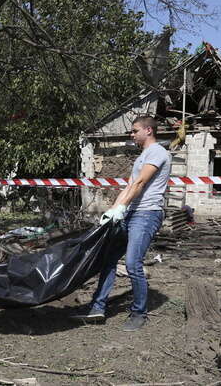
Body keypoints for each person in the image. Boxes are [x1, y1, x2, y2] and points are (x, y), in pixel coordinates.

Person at [71, 116, 171, 331]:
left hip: (147, 214)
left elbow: (141, 183)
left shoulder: (158, 153)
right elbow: (130, 186)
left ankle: (139, 312)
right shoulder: (143, 156)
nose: (131, 135)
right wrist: (113, 210)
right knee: (108, 259)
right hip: (131, 213)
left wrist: (121, 207)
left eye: (135, 131)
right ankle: (97, 307)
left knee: (133, 264)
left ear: (148, 131)